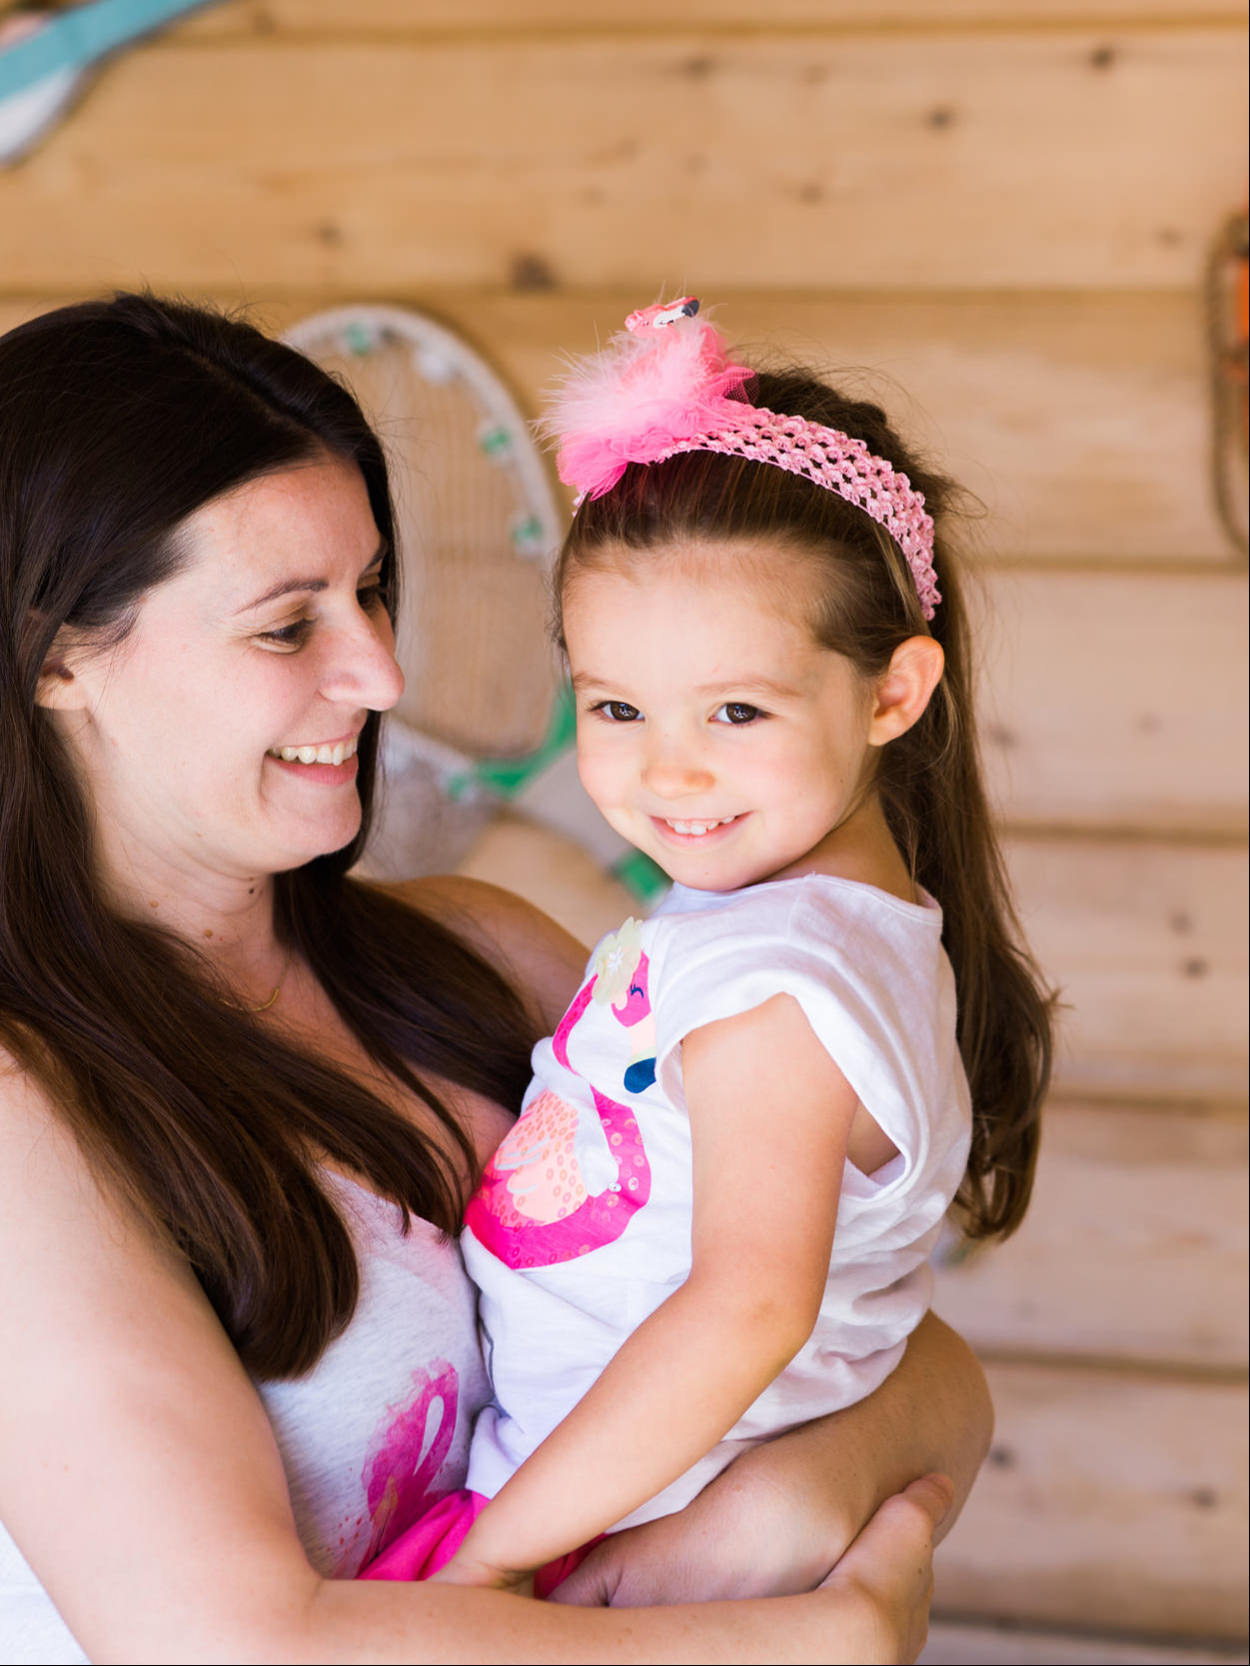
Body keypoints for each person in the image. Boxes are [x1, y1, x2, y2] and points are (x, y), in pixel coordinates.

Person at [0, 292, 992, 1666]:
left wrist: (785, 1507)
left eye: (372, 590)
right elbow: (223, 1647)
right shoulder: (24, 1108)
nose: (381, 670)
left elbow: (907, 1356)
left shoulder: (486, 958)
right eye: (289, 626)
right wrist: (803, 1641)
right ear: (57, 657)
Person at [367, 299, 1052, 1596]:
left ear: (892, 693)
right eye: (616, 705)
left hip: (628, 1547)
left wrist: (488, 1560)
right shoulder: (803, 928)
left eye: (735, 708)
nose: (666, 769)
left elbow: (747, 1308)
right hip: (605, 1504)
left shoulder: (774, 993)